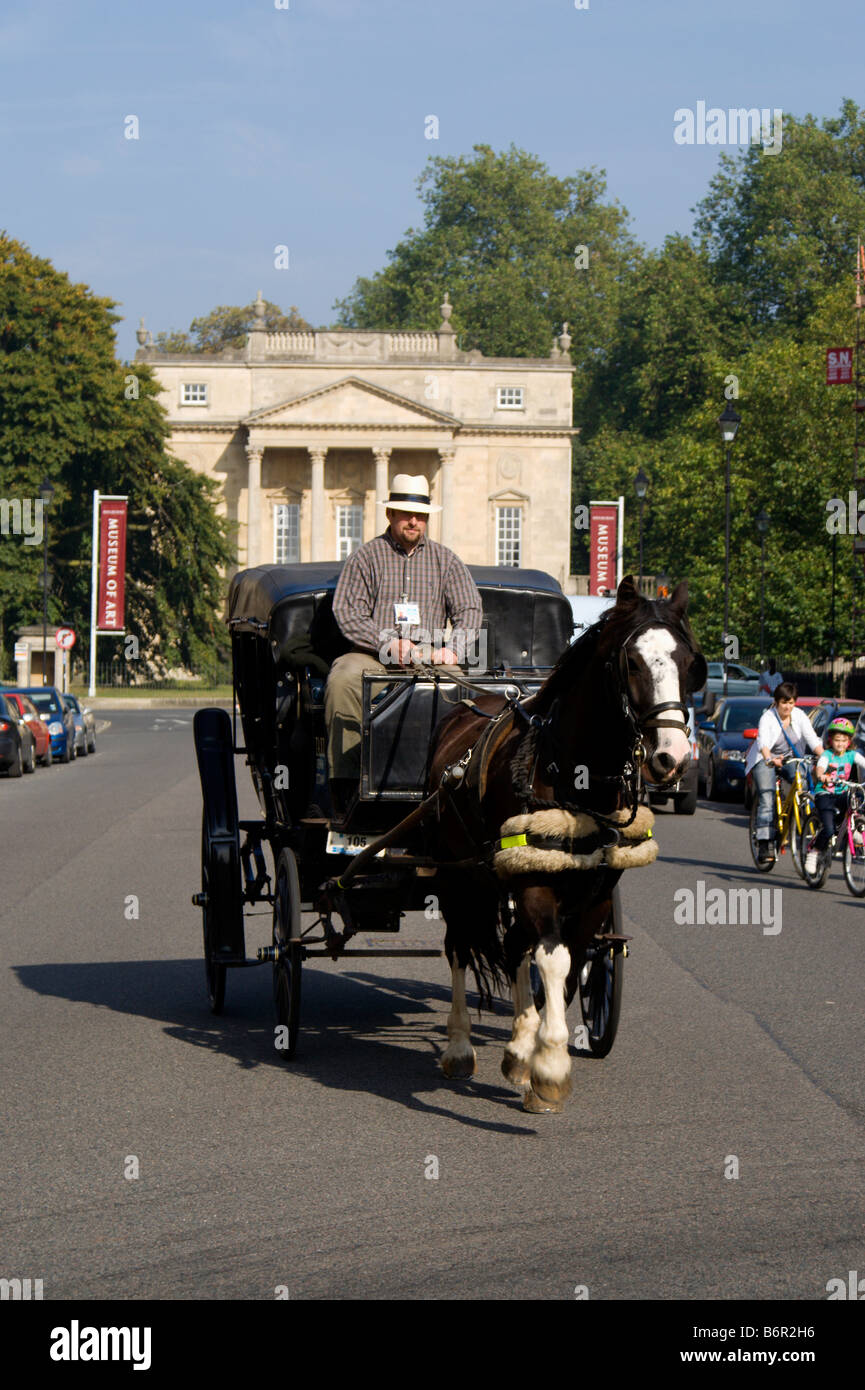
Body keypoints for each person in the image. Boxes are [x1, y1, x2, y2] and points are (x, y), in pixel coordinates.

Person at [325, 472, 483, 816]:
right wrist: (388, 643)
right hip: (374, 656)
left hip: (429, 653)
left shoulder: (447, 561)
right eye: (406, 514)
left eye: (421, 515)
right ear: (390, 515)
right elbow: (347, 611)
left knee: (457, 683)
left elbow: (470, 609)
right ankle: (348, 784)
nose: (414, 521)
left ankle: (451, 781)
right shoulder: (366, 557)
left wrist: (452, 649)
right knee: (343, 678)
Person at [744, 683, 824, 863]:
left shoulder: (799, 716)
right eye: (783, 703)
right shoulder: (768, 718)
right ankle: (764, 843)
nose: (787, 707)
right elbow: (763, 742)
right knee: (766, 796)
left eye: (791, 703)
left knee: (804, 786)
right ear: (776, 702)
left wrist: (826, 758)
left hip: (791, 759)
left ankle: (802, 824)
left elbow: (812, 739)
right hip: (766, 759)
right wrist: (769, 758)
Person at [806, 718, 865, 873]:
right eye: (837, 740)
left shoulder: (852, 755)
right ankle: (814, 852)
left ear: (849, 741)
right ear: (831, 740)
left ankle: (854, 830)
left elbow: (863, 762)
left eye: (844, 741)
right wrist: (822, 775)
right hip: (825, 794)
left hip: (841, 793)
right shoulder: (827, 755)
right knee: (829, 829)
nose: (840, 744)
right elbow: (820, 767)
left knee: (855, 801)